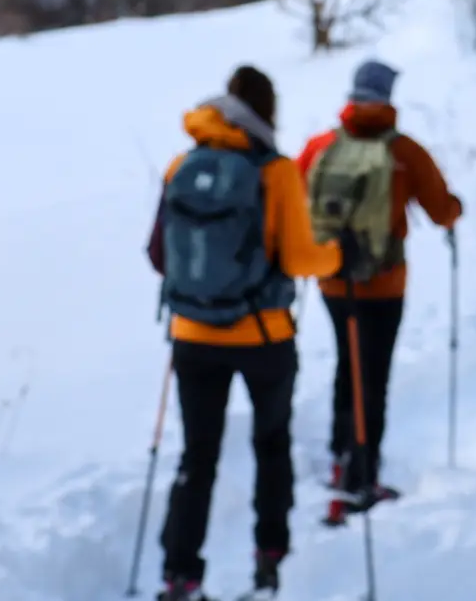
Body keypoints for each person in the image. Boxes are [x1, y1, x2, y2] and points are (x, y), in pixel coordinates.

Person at [146, 65, 352, 601]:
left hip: (191, 337)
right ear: (267, 111)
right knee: (271, 444)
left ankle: (180, 574)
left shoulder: (180, 165)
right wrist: (337, 256)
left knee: (198, 457)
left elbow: (157, 255)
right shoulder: (275, 171)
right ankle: (269, 558)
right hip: (262, 337)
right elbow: (301, 257)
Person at [296, 59, 463, 514]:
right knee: (374, 374)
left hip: (332, 280)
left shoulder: (319, 146)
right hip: (384, 285)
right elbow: (440, 208)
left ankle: (339, 454)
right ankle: (362, 475)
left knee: (347, 363)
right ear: (388, 97)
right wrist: (455, 211)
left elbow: (295, 200)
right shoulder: (404, 151)